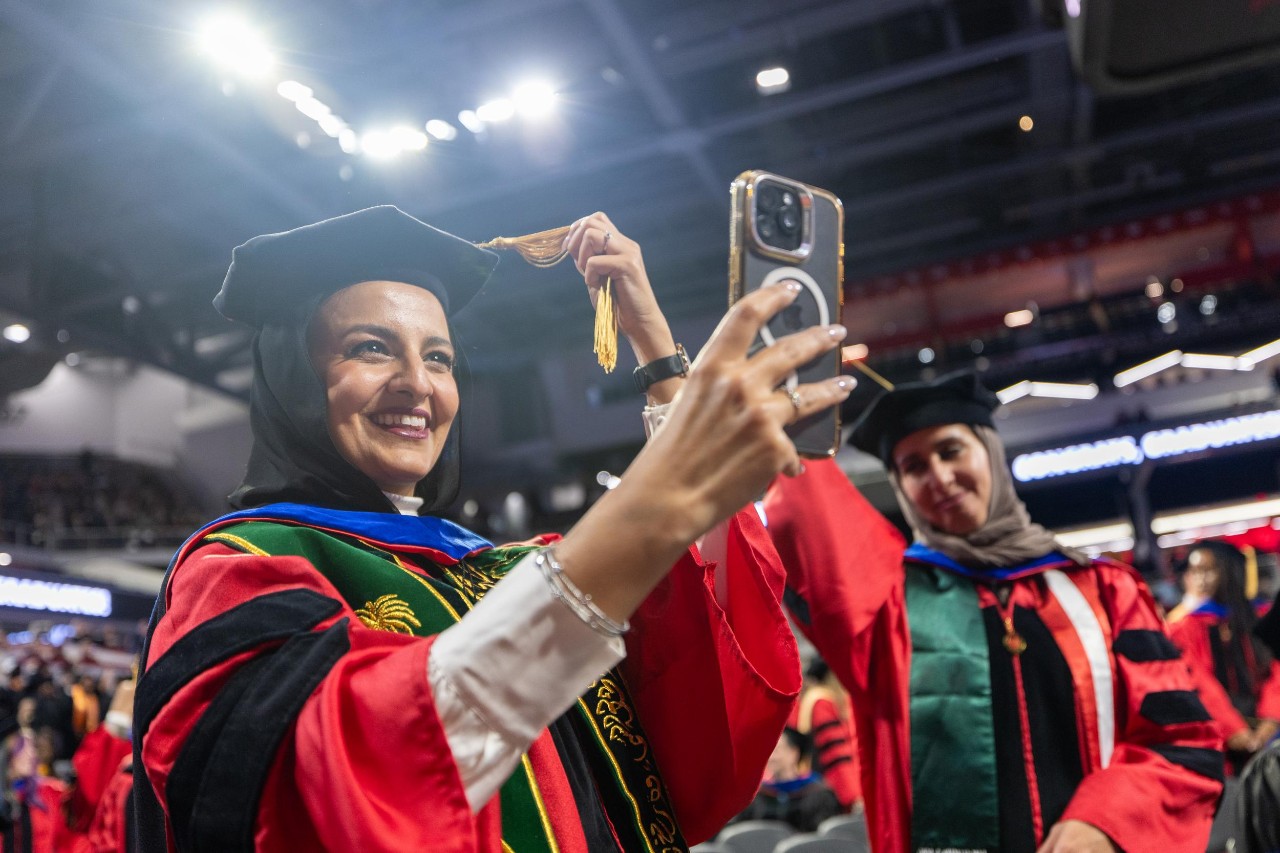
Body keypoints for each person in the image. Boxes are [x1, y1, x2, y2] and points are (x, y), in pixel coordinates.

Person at [130, 205, 853, 852]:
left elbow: (708, 675)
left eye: (438, 356)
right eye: (371, 347)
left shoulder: (500, 570)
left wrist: (659, 357)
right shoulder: (241, 569)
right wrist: (656, 500)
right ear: (293, 375)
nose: (418, 382)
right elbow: (318, 792)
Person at [762, 371, 1224, 853]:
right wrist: (787, 410)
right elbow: (811, 526)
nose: (938, 477)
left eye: (950, 450)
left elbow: (1182, 741)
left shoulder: (1105, 591)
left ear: (990, 452)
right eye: (913, 466)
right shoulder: (891, 606)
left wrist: (1108, 821)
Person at [1167, 540, 1280, 765]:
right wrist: (1233, 729)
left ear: (1231, 570)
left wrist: (1272, 718)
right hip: (1220, 742)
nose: (1200, 579)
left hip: (1272, 731)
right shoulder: (1183, 628)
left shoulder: (1265, 616)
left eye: (1208, 570)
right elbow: (1198, 681)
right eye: (1194, 571)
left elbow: (1277, 670)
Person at [732, 727, 843, 832]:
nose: (771, 757)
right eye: (768, 751)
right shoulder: (757, 797)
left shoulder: (819, 794)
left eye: (776, 751)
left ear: (794, 753)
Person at [791, 658, 860, 811]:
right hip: (832, 788)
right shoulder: (822, 703)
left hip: (826, 786)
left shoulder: (815, 699)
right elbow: (836, 753)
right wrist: (852, 795)